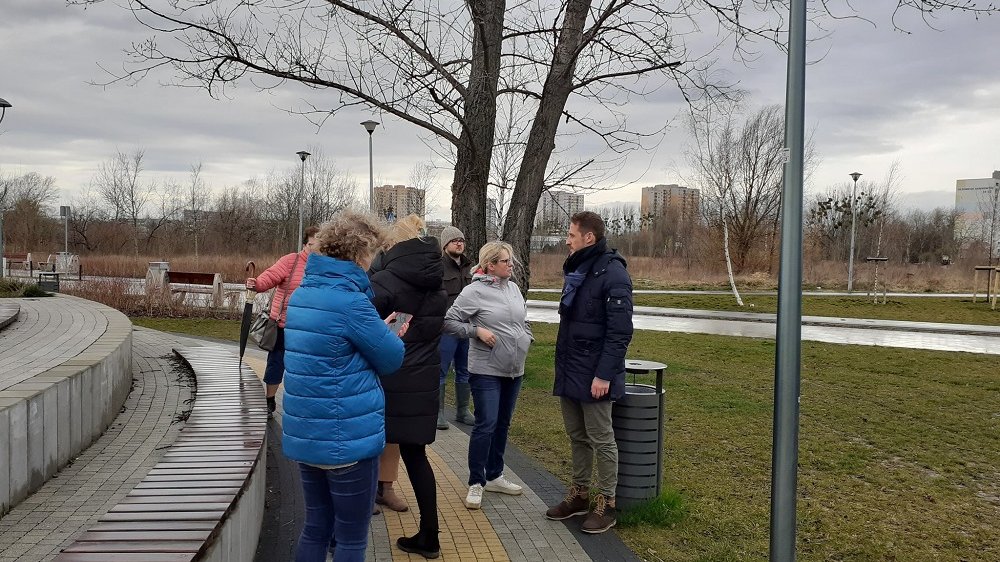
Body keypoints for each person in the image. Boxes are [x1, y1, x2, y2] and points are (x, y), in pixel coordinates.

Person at [281, 212, 407, 562]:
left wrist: (371, 330)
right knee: (351, 538)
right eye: (373, 253)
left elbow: (330, 351)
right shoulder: (352, 303)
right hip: (347, 439)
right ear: (359, 254)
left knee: (316, 527)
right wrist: (387, 334)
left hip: (307, 435)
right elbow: (392, 358)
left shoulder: (304, 293)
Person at [544, 211, 634, 534]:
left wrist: (604, 375)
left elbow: (620, 332)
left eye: (571, 235)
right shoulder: (578, 269)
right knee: (576, 436)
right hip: (571, 369)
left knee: (601, 439)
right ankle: (580, 494)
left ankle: (607, 504)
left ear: (588, 238)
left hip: (595, 375)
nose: (567, 240)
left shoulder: (613, 274)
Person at [368, 214, 448, 559]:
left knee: (365, 448)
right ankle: (430, 534)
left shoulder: (385, 280)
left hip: (388, 377)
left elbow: (365, 328)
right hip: (425, 376)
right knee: (417, 455)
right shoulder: (438, 280)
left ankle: (346, 532)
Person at [443, 241, 532, 510]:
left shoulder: (514, 288)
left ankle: (495, 475)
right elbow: (448, 321)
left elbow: (522, 320)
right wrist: (476, 332)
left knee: (503, 423)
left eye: (511, 260)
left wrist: (527, 337)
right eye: (506, 261)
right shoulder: (474, 291)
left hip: (514, 369)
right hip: (485, 370)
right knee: (486, 423)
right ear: (490, 265)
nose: (511, 264)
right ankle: (475, 482)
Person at [245, 226, 319, 416]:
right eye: (311, 245)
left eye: (319, 246)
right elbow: (271, 276)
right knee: (276, 363)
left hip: (309, 328)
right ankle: (269, 399)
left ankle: (302, 404)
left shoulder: (325, 266)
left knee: (305, 367)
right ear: (305, 245)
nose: (315, 249)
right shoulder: (290, 261)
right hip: (283, 324)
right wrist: (257, 284)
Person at [438, 226, 474, 429]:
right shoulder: (438, 267)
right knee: (440, 370)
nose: (459, 243)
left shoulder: (470, 268)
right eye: (454, 241)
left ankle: (462, 410)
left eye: (461, 240)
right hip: (445, 328)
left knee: (464, 369)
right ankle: (439, 413)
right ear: (445, 245)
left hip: (467, 327)